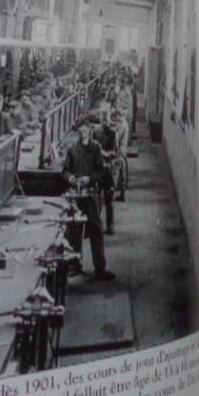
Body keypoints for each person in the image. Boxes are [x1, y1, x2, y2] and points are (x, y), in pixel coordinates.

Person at [61, 115, 114, 280]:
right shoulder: (72, 149)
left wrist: (90, 178)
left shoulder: (96, 148)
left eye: (86, 130)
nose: (83, 133)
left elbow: (101, 171)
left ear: (90, 131)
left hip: (90, 195)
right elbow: (65, 171)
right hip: (76, 197)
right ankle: (75, 265)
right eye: (80, 131)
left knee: (96, 230)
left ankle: (100, 268)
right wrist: (69, 177)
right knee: (74, 232)